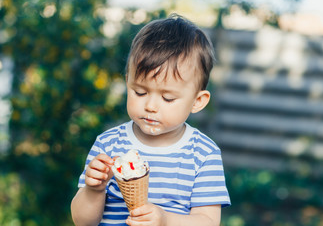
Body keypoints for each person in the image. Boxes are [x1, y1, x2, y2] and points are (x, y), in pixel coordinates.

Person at [71, 14, 231, 226]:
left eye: (168, 98)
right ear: (127, 82)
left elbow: (208, 222)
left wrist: (165, 220)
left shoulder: (202, 153)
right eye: (139, 92)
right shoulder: (108, 144)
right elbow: (83, 221)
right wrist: (94, 189)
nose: (151, 106)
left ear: (197, 101)